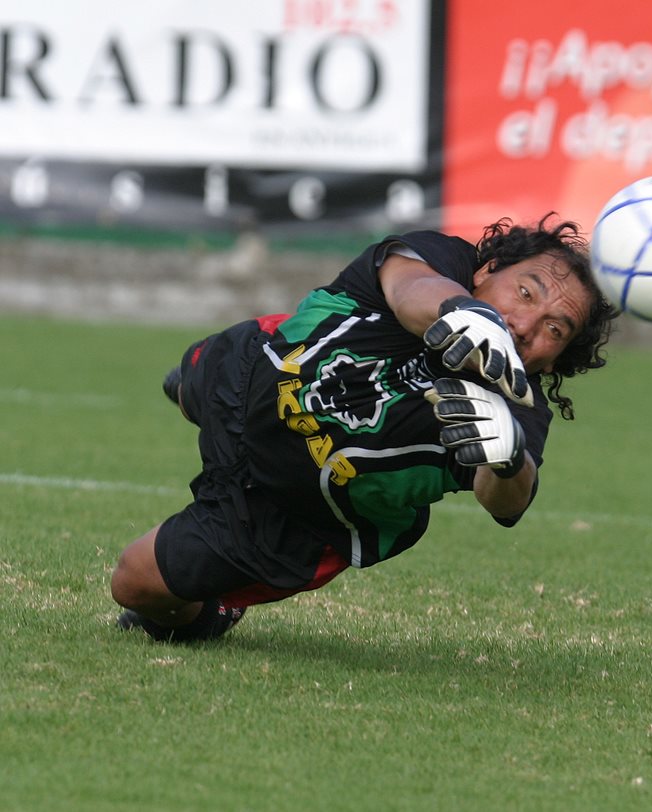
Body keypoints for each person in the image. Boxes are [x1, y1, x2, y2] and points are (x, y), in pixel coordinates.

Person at [110, 214, 619, 642]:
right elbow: (410, 289)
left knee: (136, 585)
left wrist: (505, 461)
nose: (526, 325)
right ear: (486, 270)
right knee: (184, 380)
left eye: (555, 329)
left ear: (553, 362)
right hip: (251, 380)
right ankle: (198, 403)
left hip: (300, 512)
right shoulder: (441, 260)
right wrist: (461, 311)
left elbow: (507, 499)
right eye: (526, 293)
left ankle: (216, 613)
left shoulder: (518, 404)